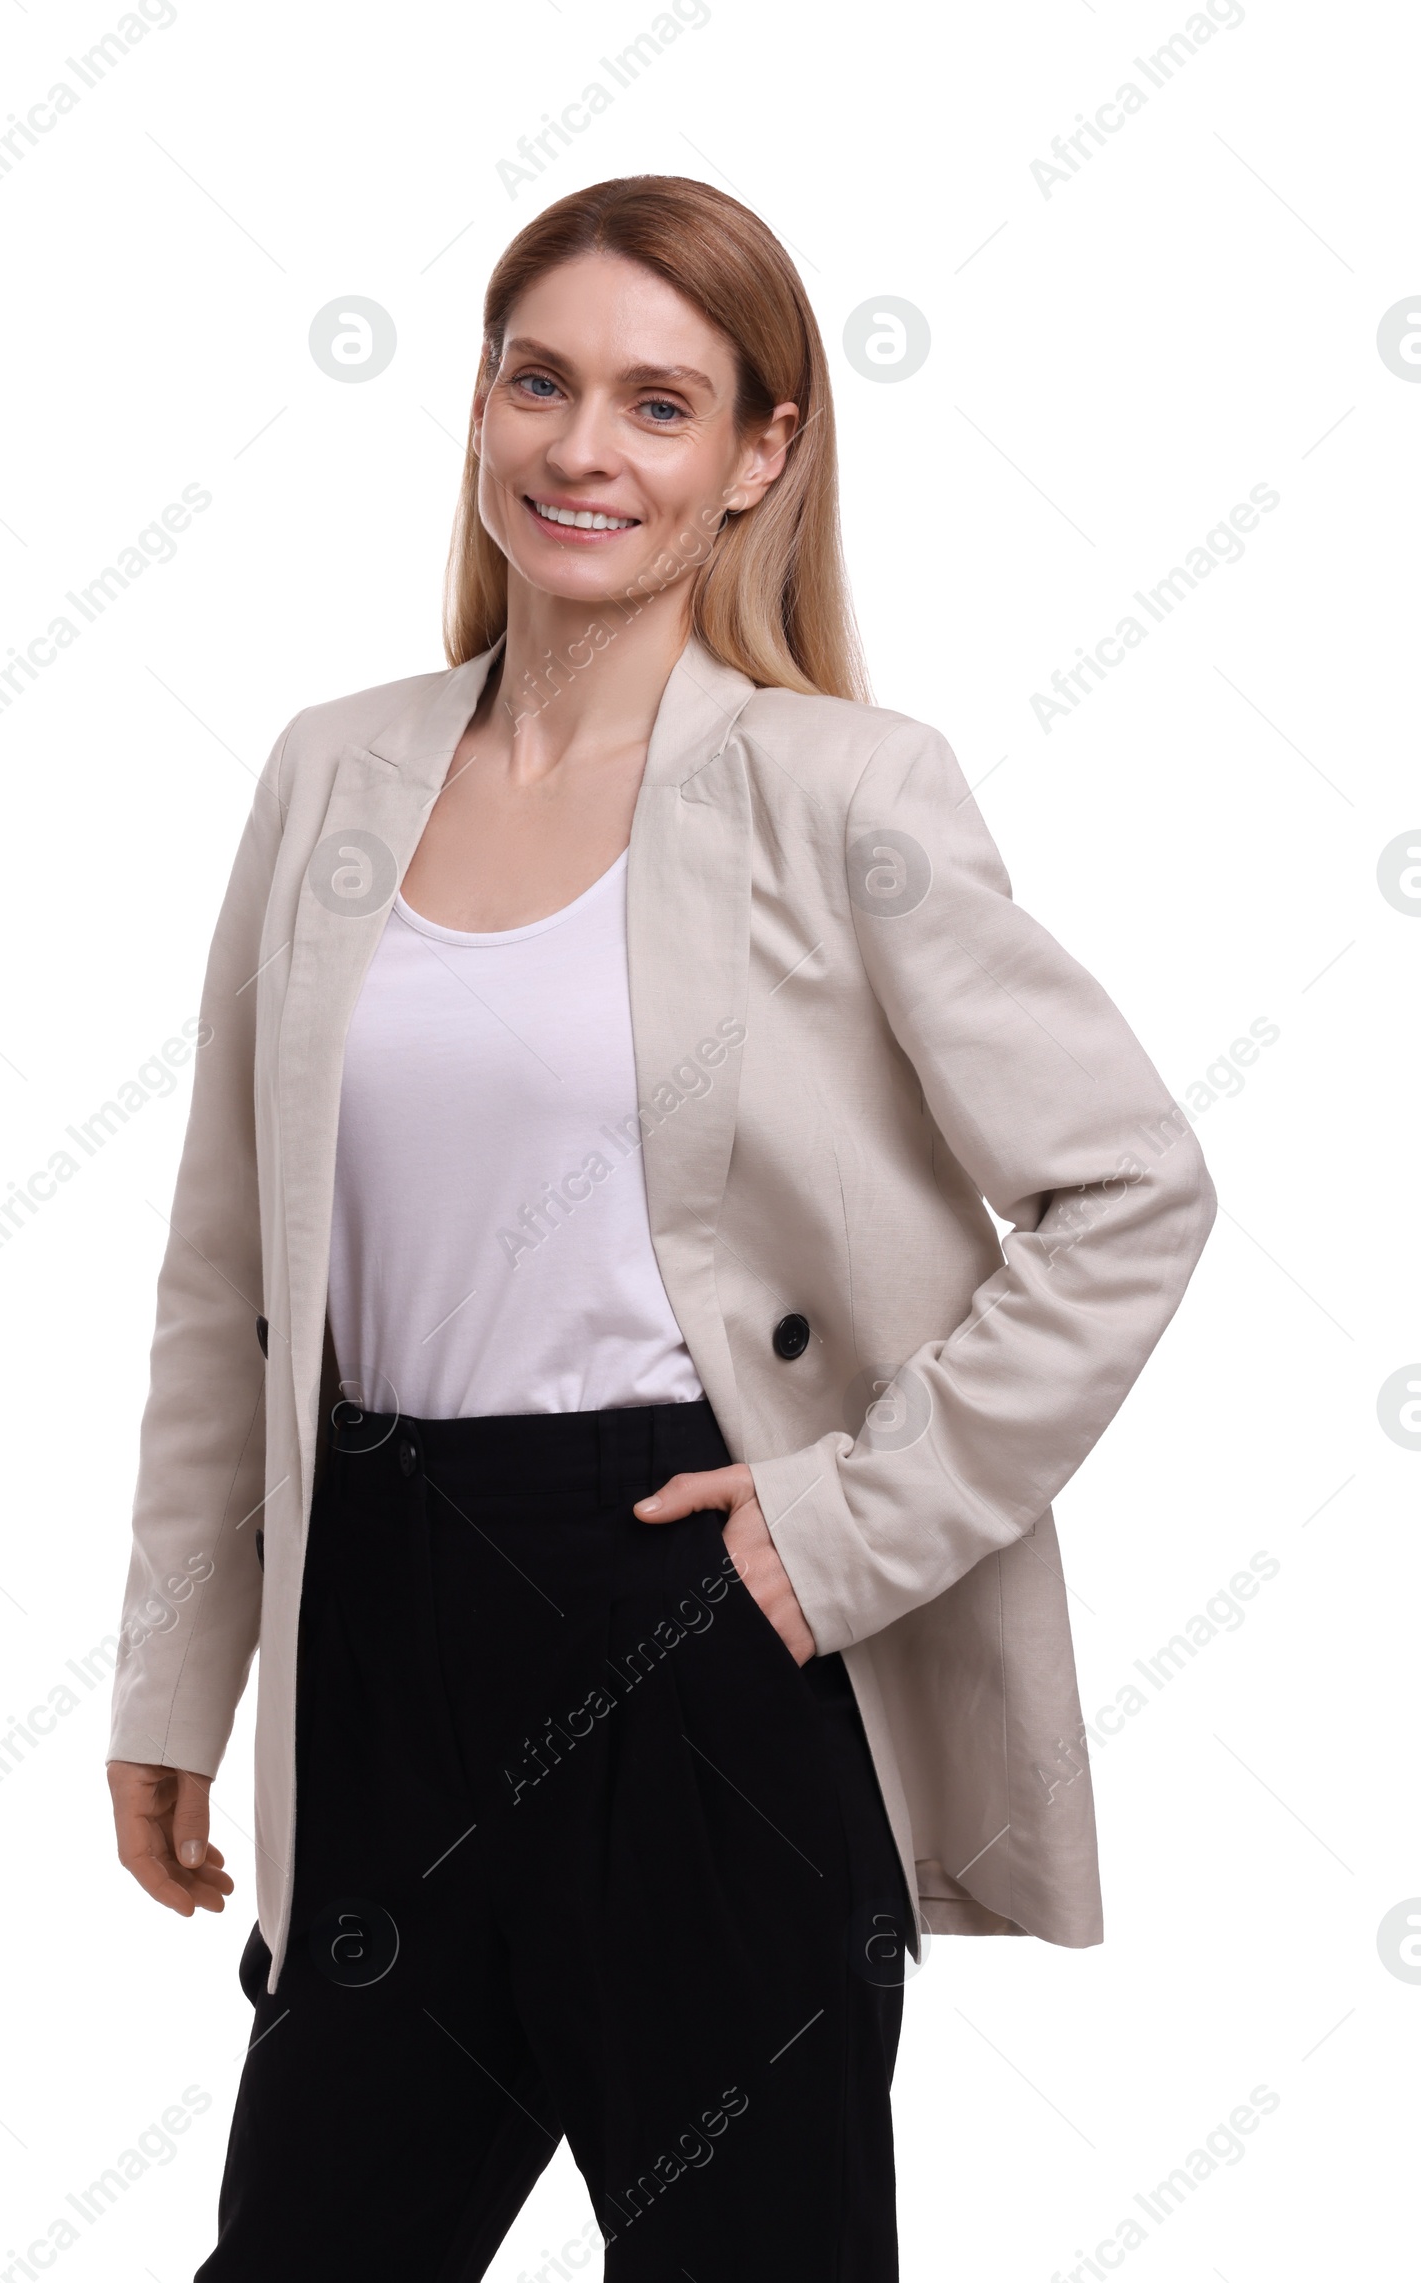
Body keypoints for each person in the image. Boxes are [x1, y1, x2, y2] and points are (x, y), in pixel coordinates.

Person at [106, 174, 1216, 2281]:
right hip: (377, 1621)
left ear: (756, 454)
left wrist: (835, 1530)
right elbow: (226, 1282)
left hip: (687, 1610)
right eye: (540, 382)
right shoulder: (327, 775)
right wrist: (182, 1672)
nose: (581, 451)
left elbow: (1127, 1186)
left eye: (656, 402)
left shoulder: (837, 791)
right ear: (479, 407)